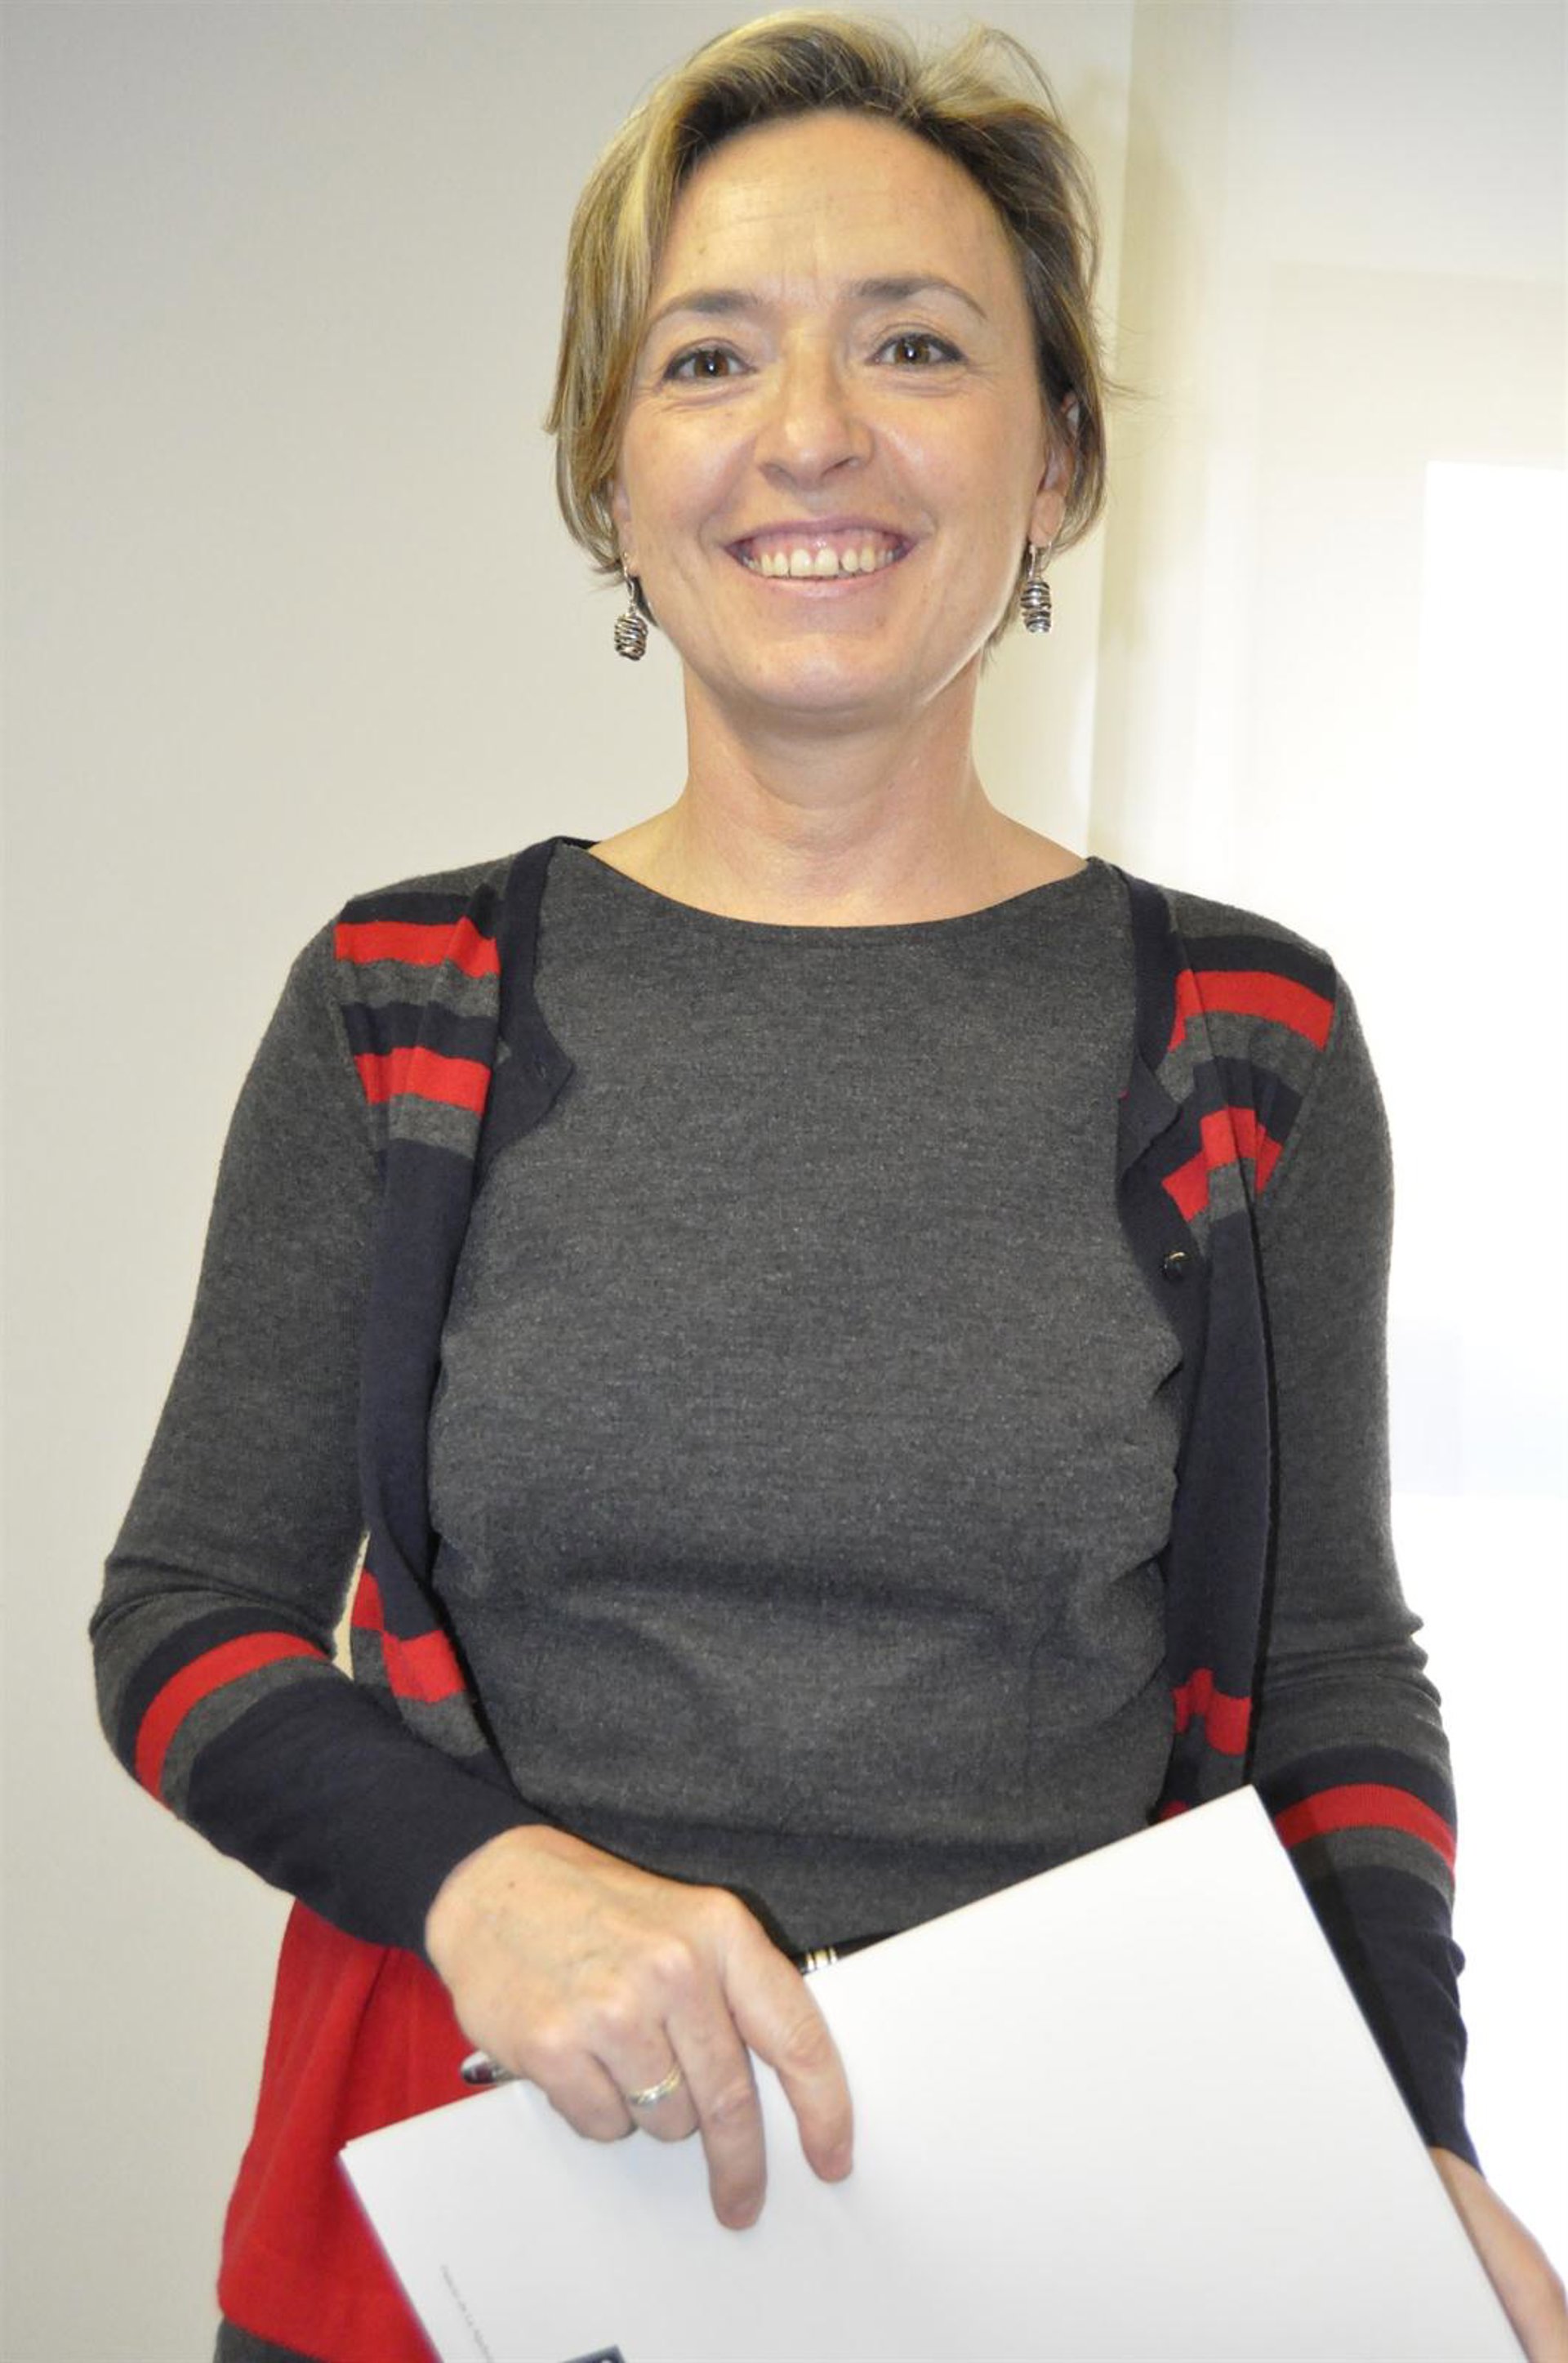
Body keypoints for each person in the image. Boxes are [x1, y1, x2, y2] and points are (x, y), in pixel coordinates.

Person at [91, 13, 1566, 2361]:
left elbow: (1327, 1679)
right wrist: (489, 1884)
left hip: (1059, 2234)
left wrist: (1410, 2146)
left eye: (916, 344)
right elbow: (184, 1622)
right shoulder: (400, 1000)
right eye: (709, 356)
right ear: (610, 464)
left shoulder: (1246, 1041)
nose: (810, 432)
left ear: (1055, 458)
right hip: (471, 2218)